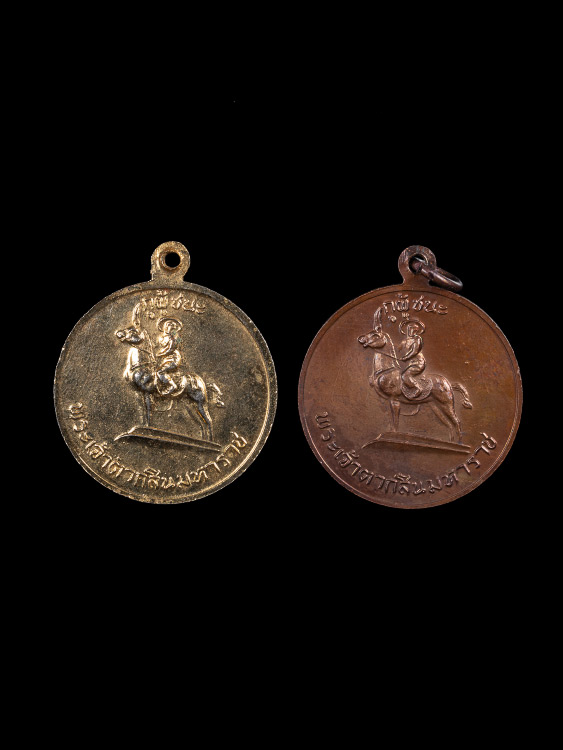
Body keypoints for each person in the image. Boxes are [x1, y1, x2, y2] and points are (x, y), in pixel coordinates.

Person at [398, 319, 427, 399]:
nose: (411, 331)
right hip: (408, 364)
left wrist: (405, 357)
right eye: (410, 329)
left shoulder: (417, 339)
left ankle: (417, 388)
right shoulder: (405, 340)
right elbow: (398, 349)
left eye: (414, 330)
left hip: (417, 363)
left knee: (405, 376)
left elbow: (414, 351)